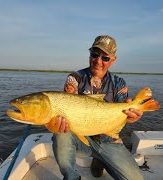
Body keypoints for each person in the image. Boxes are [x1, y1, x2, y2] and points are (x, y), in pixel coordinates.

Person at [46, 35, 145, 180]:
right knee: (61, 133)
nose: (98, 61)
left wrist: (132, 116)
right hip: (81, 137)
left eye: (105, 58)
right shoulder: (76, 77)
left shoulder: (119, 83)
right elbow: (69, 89)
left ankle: (99, 160)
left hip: (109, 140)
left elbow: (125, 111)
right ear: (90, 53)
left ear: (113, 60)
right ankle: (72, 177)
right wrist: (69, 92)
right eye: (95, 55)